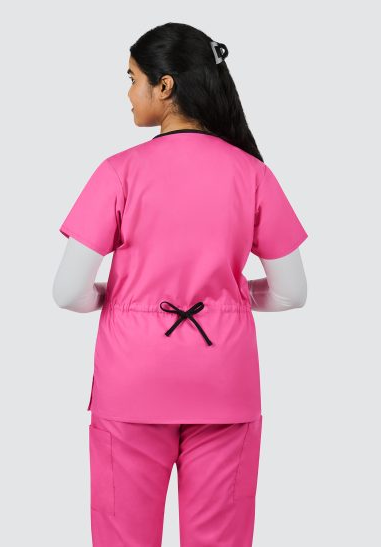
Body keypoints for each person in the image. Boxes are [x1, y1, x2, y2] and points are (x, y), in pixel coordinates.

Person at [52, 22, 308, 547]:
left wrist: (116, 298)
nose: (128, 93)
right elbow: (291, 292)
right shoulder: (252, 174)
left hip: (131, 382)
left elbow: (68, 292)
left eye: (132, 79)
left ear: (164, 86)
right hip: (225, 385)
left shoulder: (118, 172)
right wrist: (231, 298)